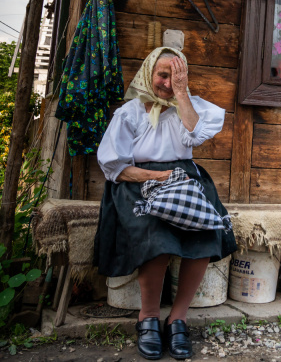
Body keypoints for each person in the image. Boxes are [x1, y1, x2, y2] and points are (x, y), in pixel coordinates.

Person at [95, 46, 237, 360]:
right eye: (163, 74)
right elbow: (114, 167)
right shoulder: (130, 112)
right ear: (149, 73)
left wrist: (182, 93)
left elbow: (196, 133)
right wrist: (157, 177)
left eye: (176, 75)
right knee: (155, 236)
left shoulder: (189, 107)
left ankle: (178, 318)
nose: (168, 82)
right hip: (138, 181)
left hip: (183, 177)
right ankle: (147, 318)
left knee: (204, 233)